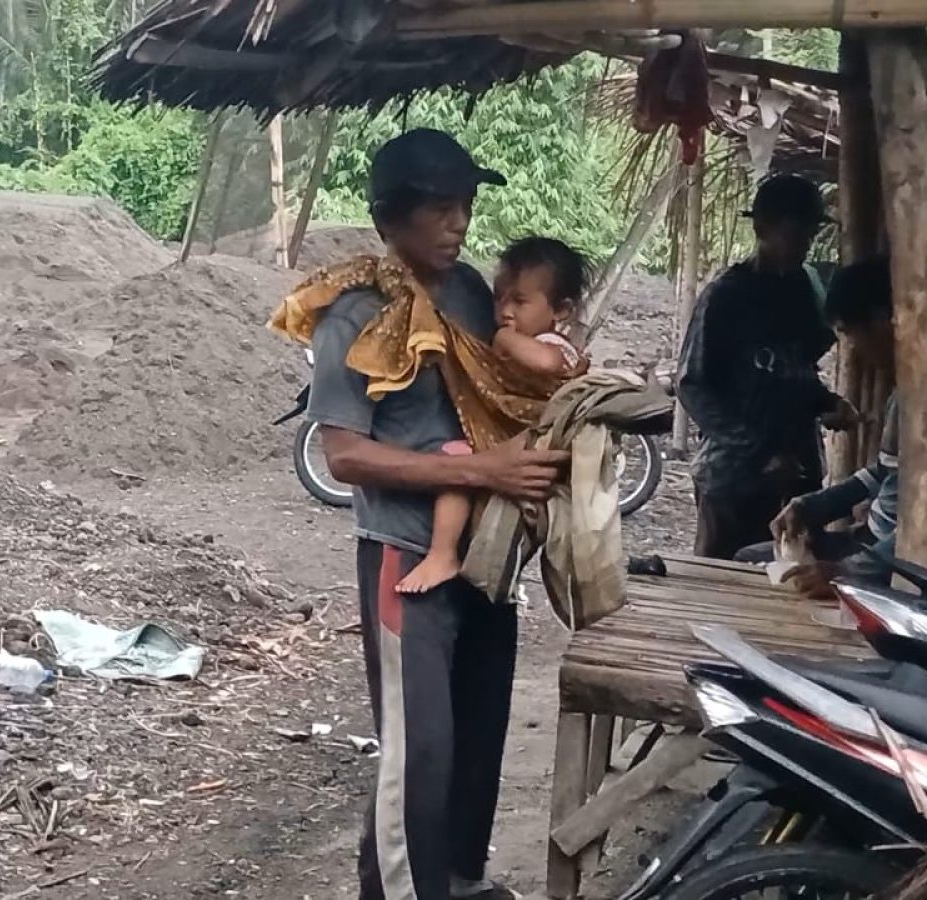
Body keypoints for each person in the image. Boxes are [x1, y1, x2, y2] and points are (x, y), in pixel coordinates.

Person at [304, 129, 569, 900]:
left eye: (467, 205)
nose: (460, 223)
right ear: (391, 217)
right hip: (405, 552)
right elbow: (344, 455)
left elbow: (515, 385)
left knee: (478, 733)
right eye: (442, 208)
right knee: (419, 749)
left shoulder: (473, 295)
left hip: (488, 550)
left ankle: (455, 881)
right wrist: (482, 468)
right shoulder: (353, 313)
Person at [676, 173, 858, 560]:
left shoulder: (805, 290)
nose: (803, 245)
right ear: (762, 228)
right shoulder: (726, 296)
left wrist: (827, 403)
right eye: (794, 234)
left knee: (791, 575)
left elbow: (796, 371)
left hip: (797, 478)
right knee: (721, 578)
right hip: (733, 480)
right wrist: (760, 452)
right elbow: (692, 385)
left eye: (809, 235)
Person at [398, 237, 590, 593]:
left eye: (519, 301)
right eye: (499, 297)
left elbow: (546, 363)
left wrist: (505, 341)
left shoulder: (557, 346)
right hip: (502, 441)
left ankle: (443, 554)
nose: (505, 311)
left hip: (527, 445)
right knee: (457, 461)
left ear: (561, 310)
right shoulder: (519, 336)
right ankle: (445, 554)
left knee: (459, 463)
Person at [745, 258, 897, 586]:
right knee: (750, 560)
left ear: (881, 320)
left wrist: (850, 573)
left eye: (848, 332)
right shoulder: (903, 396)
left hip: (899, 563)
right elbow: (884, 473)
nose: (852, 348)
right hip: (871, 541)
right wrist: (812, 505)